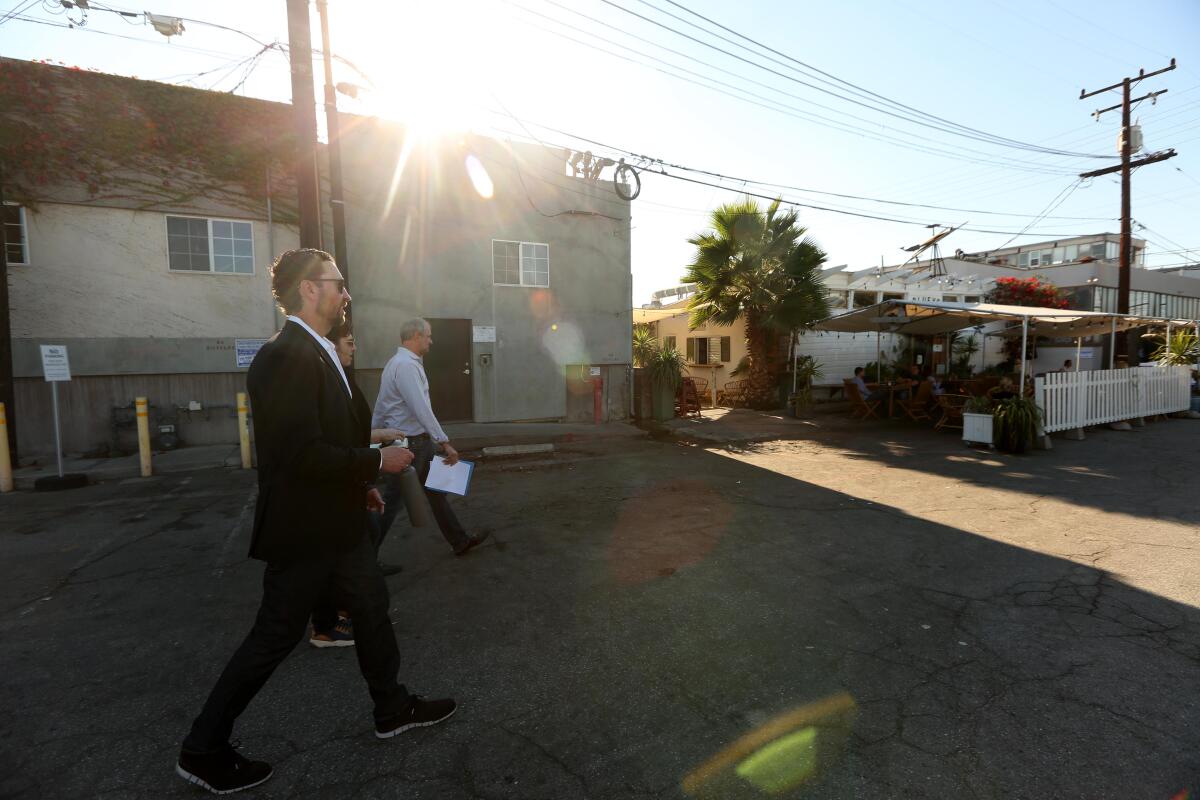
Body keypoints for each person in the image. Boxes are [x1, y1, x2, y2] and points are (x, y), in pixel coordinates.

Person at [176, 250, 455, 795]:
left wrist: (361, 484)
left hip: (339, 519)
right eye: (337, 283)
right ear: (309, 289)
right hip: (305, 530)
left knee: (371, 607)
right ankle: (202, 748)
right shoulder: (285, 357)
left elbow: (334, 437)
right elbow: (301, 452)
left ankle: (392, 708)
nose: (345, 292)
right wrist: (378, 461)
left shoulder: (320, 352)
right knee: (275, 634)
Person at [308, 320, 407, 649]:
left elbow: (347, 433)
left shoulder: (340, 378)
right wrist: (378, 458)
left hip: (349, 485)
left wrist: (367, 480)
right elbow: (327, 443)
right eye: (349, 342)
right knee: (326, 566)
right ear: (331, 346)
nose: (354, 348)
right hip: (329, 492)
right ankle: (330, 625)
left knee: (353, 550)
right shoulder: (317, 376)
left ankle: (343, 619)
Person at [372, 318, 489, 558]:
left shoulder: (402, 363)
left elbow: (382, 407)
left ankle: (459, 541)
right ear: (415, 335)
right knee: (392, 501)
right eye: (428, 335)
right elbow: (421, 408)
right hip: (409, 445)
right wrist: (445, 442)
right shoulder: (405, 366)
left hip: (417, 442)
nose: (431, 340)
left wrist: (373, 433)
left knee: (436, 492)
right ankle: (364, 558)